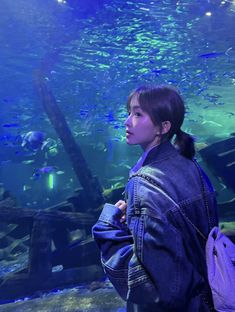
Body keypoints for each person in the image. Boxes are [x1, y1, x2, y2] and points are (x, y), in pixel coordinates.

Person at [92, 85, 218, 312]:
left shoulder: (143, 185)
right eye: (129, 112)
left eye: (138, 114)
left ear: (163, 127)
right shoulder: (191, 166)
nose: (127, 122)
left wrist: (107, 227)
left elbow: (156, 290)